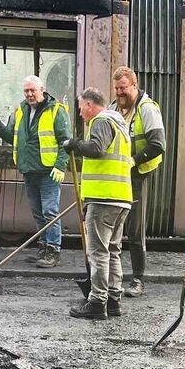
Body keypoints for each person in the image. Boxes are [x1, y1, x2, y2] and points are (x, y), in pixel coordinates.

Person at [0, 76, 71, 269]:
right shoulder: (21, 111)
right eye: (26, 91)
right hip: (29, 170)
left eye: (33, 90)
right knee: (38, 214)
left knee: (50, 212)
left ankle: (53, 250)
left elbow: (65, 141)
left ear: (42, 90)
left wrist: (60, 165)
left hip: (49, 172)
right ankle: (43, 248)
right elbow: (12, 137)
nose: (30, 94)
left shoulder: (56, 110)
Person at [63, 88, 131, 320]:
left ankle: (97, 302)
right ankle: (113, 300)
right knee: (113, 251)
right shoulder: (120, 125)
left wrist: (74, 144)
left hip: (104, 198)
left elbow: (96, 149)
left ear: (90, 105)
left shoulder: (101, 122)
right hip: (120, 197)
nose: (80, 112)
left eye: (81, 106)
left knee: (99, 252)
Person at [111, 67, 165, 298]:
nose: (120, 93)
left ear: (134, 86)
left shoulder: (147, 108)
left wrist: (133, 161)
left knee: (135, 230)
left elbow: (159, 144)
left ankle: (138, 279)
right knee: (113, 229)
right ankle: (112, 278)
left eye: (123, 88)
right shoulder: (113, 109)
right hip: (117, 175)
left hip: (137, 174)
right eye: (116, 89)